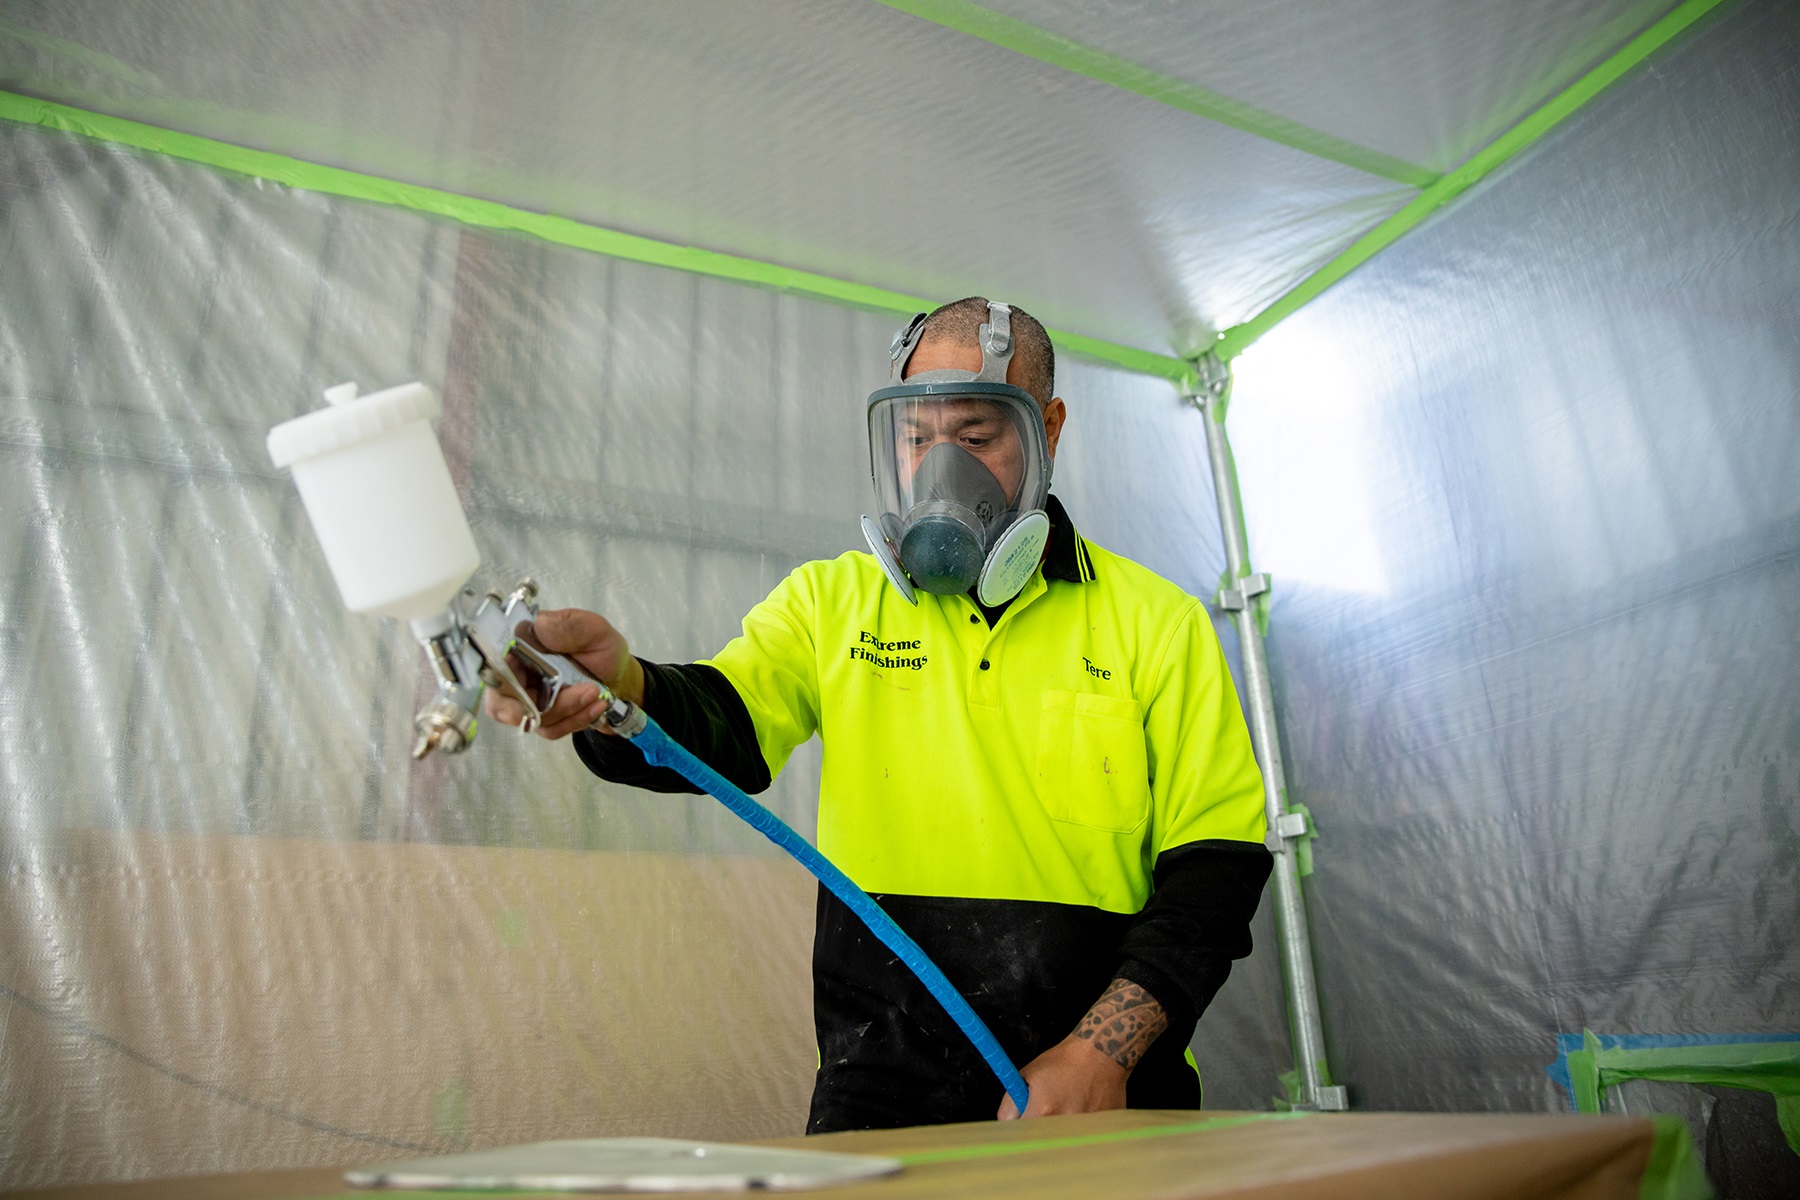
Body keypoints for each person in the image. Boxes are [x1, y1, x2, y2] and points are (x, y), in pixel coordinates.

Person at [487, 297, 1273, 1133]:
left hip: (1103, 1099)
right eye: (915, 438)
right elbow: (722, 729)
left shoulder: (1157, 623)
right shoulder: (832, 604)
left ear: (1049, 426)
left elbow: (1215, 877)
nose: (942, 471)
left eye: (974, 439)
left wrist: (1101, 1055)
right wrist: (627, 690)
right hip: (882, 1100)